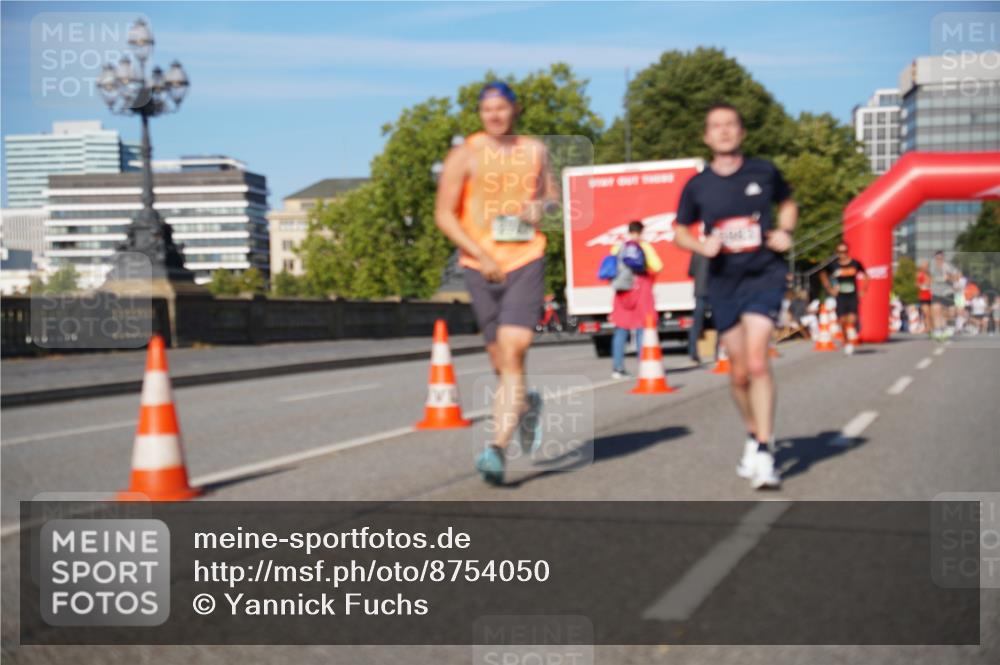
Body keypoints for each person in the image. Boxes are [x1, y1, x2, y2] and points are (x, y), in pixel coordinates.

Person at [434, 80, 559, 484]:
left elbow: (554, 196)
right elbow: (444, 215)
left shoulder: (535, 150)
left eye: (501, 108)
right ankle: (526, 404)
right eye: (487, 109)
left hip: (525, 257)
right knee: (501, 362)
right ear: (480, 113)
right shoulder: (464, 154)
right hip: (479, 265)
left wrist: (541, 207)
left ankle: (496, 448)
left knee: (515, 346)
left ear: (514, 110)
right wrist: (481, 253)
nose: (494, 115)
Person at [673, 102, 798, 490]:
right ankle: (752, 432)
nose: (724, 131)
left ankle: (764, 448)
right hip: (724, 283)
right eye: (716, 126)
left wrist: (785, 232)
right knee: (739, 372)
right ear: (706, 137)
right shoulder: (698, 185)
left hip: (764, 275)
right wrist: (700, 245)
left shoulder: (764, 171)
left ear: (741, 132)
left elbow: (788, 203)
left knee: (759, 364)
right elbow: (679, 230)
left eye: (731, 124)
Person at [608, 220, 663, 378]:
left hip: (622, 292)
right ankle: (644, 365)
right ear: (641, 232)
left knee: (621, 329)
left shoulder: (617, 247)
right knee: (641, 328)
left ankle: (617, 368)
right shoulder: (644, 247)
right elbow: (658, 266)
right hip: (640, 290)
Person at [819, 242, 868, 355]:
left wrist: (863, 290)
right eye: (840, 252)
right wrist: (829, 288)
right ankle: (846, 341)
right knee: (841, 321)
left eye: (845, 251)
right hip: (840, 296)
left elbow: (866, 275)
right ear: (837, 253)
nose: (843, 254)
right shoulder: (834, 265)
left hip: (852, 295)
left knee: (852, 319)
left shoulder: (855, 263)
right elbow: (822, 274)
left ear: (848, 251)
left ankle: (853, 330)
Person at [928, 251, 959, 342]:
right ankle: (938, 331)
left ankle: (949, 327)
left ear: (943, 258)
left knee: (949, 313)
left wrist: (949, 278)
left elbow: (957, 277)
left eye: (940, 258)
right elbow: (926, 275)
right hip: (936, 293)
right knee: (936, 311)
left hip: (947, 292)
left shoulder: (948, 266)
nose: (939, 260)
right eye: (937, 258)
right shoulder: (932, 267)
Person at [687, 249, 710, 364]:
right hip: (714, 290)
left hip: (700, 290)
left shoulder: (697, 252)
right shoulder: (716, 252)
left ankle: (693, 353)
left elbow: (690, 272)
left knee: (696, 324)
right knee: (721, 322)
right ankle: (719, 353)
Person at [917, 260, 932, 336]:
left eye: (927, 266)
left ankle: (929, 328)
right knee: (926, 312)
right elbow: (916, 284)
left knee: (929, 313)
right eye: (924, 266)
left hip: (930, 296)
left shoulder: (930, 274)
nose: (925, 267)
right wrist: (922, 285)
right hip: (923, 296)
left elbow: (932, 283)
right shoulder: (919, 274)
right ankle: (927, 328)